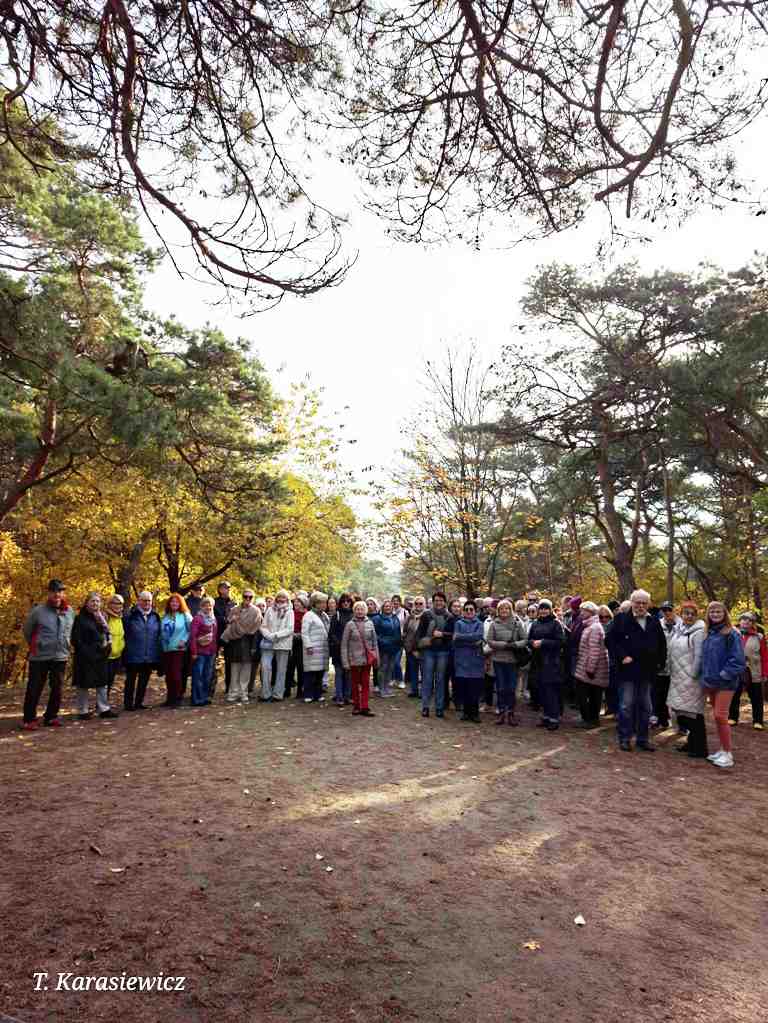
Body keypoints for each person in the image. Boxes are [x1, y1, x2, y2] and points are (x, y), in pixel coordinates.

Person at [607, 589, 668, 752]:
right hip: (627, 670)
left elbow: (662, 644)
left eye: (644, 603)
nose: (640, 606)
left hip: (647, 671)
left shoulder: (654, 621)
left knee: (646, 707)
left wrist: (660, 664)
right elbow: (610, 641)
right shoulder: (620, 619)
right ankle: (625, 738)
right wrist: (622, 656)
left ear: (648, 604)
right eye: (637, 602)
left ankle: (643, 739)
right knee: (626, 705)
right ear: (632, 602)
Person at [21, 578, 75, 730]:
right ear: (49, 593)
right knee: (35, 687)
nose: (57, 594)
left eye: (60, 591)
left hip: (60, 655)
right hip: (40, 656)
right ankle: (29, 719)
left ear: (63, 593)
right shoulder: (38, 611)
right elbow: (27, 631)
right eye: (54, 591)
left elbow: (71, 631)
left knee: (57, 688)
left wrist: (67, 645)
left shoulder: (70, 611)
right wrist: (37, 644)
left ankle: (51, 716)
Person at [699, 601, 746, 768]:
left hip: (726, 682)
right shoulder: (708, 633)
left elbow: (738, 661)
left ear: (724, 613)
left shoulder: (732, 633)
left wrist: (723, 675)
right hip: (711, 681)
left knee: (720, 715)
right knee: (717, 717)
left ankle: (728, 753)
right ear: (708, 614)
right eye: (712, 612)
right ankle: (722, 750)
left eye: (718, 611)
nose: (715, 614)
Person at [667, 602, 708, 758]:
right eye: (686, 613)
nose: (689, 616)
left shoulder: (698, 632)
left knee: (693, 713)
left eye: (692, 613)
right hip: (677, 676)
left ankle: (700, 748)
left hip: (691, 679)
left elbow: (699, 656)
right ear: (681, 614)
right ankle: (692, 742)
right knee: (681, 712)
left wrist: (693, 676)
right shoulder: (679, 629)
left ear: (696, 616)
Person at [71, 592, 118, 720]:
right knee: (83, 684)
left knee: (102, 683)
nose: (95, 603)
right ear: (86, 603)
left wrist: (107, 647)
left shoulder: (102, 617)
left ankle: (104, 709)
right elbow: (76, 639)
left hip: (101, 656)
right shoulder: (80, 619)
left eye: (97, 601)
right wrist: (88, 652)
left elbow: (107, 633)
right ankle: (83, 711)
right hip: (85, 657)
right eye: (92, 601)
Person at [486, 599, 527, 725]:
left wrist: (514, 645)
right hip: (498, 660)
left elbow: (524, 640)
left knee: (511, 688)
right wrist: (503, 645)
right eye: (502, 608)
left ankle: (511, 712)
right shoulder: (494, 624)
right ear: (498, 610)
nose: (504, 610)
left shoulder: (517, 624)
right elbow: (490, 641)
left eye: (507, 608)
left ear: (511, 610)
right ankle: (501, 711)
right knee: (500, 687)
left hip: (513, 660)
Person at [527, 599, 566, 731]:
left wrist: (543, 642)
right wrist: (532, 643)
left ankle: (554, 718)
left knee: (551, 691)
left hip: (551, 662)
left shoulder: (556, 624)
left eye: (546, 608)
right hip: (537, 661)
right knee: (541, 690)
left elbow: (561, 642)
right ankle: (546, 716)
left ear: (550, 610)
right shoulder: (535, 623)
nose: (543, 611)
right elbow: (529, 639)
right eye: (541, 608)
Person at [415, 592, 455, 718]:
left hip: (443, 651)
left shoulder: (449, 616)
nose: (438, 602)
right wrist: (419, 646)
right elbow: (419, 633)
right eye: (436, 600)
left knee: (440, 680)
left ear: (444, 602)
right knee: (427, 679)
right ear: (433, 602)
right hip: (428, 651)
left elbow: (453, 635)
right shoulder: (426, 615)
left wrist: (442, 635)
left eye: (441, 600)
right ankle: (425, 707)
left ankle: (439, 707)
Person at [123, 591, 162, 711]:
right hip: (133, 654)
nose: (146, 603)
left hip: (149, 655)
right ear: (138, 601)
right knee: (130, 680)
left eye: (149, 600)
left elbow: (158, 635)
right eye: (144, 600)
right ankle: (128, 704)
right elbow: (124, 634)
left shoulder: (155, 616)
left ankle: (139, 703)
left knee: (144, 680)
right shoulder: (130, 615)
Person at [220, 590, 262, 704]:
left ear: (253, 598)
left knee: (246, 669)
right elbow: (228, 623)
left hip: (249, 642)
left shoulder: (256, 611)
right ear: (242, 597)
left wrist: (254, 646)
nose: (247, 599)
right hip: (235, 642)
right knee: (234, 669)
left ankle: (243, 693)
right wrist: (232, 620)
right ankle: (233, 693)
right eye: (245, 596)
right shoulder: (234, 609)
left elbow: (256, 629)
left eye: (250, 597)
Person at [573, 601, 609, 728]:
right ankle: (589, 719)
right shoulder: (590, 626)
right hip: (587, 666)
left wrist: (590, 669)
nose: (581, 613)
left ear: (590, 612)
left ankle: (591, 719)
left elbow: (594, 650)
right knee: (590, 694)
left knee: (591, 695)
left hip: (592, 668)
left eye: (584, 610)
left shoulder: (594, 628)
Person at [341, 600, 379, 716]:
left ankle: (365, 707)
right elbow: (344, 644)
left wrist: (377, 658)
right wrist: (345, 662)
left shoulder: (370, 623)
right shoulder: (349, 624)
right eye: (357, 609)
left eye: (362, 609)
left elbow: (374, 642)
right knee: (355, 683)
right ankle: (356, 706)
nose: (359, 611)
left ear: (365, 610)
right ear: (354, 610)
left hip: (367, 659)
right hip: (354, 659)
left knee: (366, 683)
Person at [730, 613, 768, 729]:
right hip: (736, 670)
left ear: (752, 623)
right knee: (734, 694)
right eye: (744, 619)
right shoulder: (732, 634)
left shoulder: (759, 637)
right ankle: (732, 717)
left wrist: (765, 673)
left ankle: (758, 721)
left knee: (756, 696)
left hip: (754, 670)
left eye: (749, 620)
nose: (746, 622)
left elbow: (764, 656)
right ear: (740, 621)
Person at [452, 601, 486, 722]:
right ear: (463, 611)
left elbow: (478, 636)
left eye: (471, 609)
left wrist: (462, 637)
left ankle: (475, 713)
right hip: (462, 659)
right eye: (466, 609)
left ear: (475, 611)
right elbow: (456, 640)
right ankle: (466, 713)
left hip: (476, 660)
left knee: (474, 687)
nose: (469, 611)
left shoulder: (480, 624)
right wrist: (471, 640)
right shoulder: (458, 623)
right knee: (464, 686)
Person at [259, 589, 294, 701]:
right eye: (279, 597)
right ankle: (265, 694)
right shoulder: (270, 610)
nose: (281, 599)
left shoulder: (290, 611)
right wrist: (269, 636)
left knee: (281, 670)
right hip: (268, 642)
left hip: (283, 643)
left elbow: (290, 629)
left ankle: (278, 694)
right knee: (265, 667)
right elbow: (263, 626)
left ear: (287, 599)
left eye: (284, 597)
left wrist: (276, 635)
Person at [160, 594, 193, 707]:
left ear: (180, 603)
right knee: (168, 675)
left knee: (176, 674)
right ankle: (169, 698)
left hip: (179, 649)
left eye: (177, 602)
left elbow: (191, 630)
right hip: (166, 649)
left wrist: (184, 640)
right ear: (169, 603)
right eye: (172, 601)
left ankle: (177, 698)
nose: (174, 603)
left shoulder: (185, 615)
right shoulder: (166, 616)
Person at [654, 601, 680, 729]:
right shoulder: (657, 625)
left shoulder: (682, 625)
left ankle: (681, 725)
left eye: (669, 610)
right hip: (662, 666)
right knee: (661, 695)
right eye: (664, 610)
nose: (667, 612)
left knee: (678, 697)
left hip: (678, 667)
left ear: (674, 610)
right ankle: (662, 720)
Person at [302, 591, 331, 703]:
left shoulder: (324, 615)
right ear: (315, 603)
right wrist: (308, 646)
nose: (325, 605)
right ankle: (308, 694)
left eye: (325, 602)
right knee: (310, 673)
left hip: (322, 649)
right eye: (322, 602)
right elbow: (305, 633)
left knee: (320, 673)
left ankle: (318, 694)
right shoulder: (308, 615)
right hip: (312, 649)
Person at [190, 595, 218, 706]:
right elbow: (192, 636)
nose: (208, 608)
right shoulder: (197, 619)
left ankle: (205, 697)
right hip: (200, 652)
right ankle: (196, 699)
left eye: (210, 606)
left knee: (207, 676)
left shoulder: (213, 619)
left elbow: (214, 636)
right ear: (201, 607)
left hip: (211, 652)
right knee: (198, 676)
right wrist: (194, 652)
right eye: (205, 606)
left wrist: (215, 651)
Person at [372, 598, 402, 698]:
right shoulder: (377, 618)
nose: (388, 608)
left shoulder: (395, 618)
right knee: (383, 668)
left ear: (392, 607)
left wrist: (399, 643)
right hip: (383, 648)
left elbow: (398, 631)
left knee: (390, 668)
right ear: (382, 607)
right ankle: (381, 689)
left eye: (389, 606)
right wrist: (383, 641)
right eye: (386, 606)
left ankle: (387, 687)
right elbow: (374, 633)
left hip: (394, 647)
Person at [329, 592, 354, 705]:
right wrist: (339, 643)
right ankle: (339, 697)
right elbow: (331, 633)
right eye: (343, 601)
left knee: (348, 674)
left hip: (350, 650)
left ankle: (347, 696)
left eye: (348, 601)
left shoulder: (354, 615)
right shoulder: (337, 615)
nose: (346, 603)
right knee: (339, 673)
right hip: (338, 650)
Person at [213, 581, 236, 697]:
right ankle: (210, 688)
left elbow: (236, 617)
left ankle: (229, 688)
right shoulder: (214, 602)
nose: (227, 589)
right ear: (220, 589)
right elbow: (214, 617)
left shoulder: (234, 603)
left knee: (230, 662)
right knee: (213, 662)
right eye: (225, 588)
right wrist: (226, 620)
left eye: (228, 588)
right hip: (216, 634)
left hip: (229, 635)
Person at [402, 596, 426, 697]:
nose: (418, 605)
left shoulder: (427, 616)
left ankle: (424, 691)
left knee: (424, 672)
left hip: (423, 649)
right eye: (416, 603)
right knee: (413, 671)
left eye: (421, 603)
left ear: (424, 605)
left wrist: (419, 649)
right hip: (410, 649)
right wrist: (409, 648)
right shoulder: (409, 617)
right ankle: (414, 690)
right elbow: (405, 633)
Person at [287, 594, 308, 699]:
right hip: (290, 642)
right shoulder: (290, 613)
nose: (296, 603)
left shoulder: (307, 614)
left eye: (298, 602)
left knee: (300, 667)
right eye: (295, 602)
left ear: (303, 604)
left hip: (301, 643)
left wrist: (299, 635)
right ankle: (287, 690)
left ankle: (300, 690)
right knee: (289, 666)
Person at [104, 594, 125, 697]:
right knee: (104, 682)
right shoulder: (105, 616)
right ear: (109, 604)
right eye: (115, 603)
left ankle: (104, 702)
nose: (117, 606)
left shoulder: (120, 618)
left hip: (116, 656)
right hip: (106, 656)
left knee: (110, 681)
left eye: (120, 603)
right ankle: (101, 704)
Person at [391, 594, 408, 687]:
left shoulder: (404, 612)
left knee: (397, 661)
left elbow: (408, 625)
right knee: (392, 661)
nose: (395, 602)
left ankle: (401, 680)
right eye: (394, 601)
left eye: (397, 601)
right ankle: (393, 678)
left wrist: (405, 633)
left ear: (400, 602)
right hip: (391, 640)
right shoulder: (389, 611)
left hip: (400, 640)